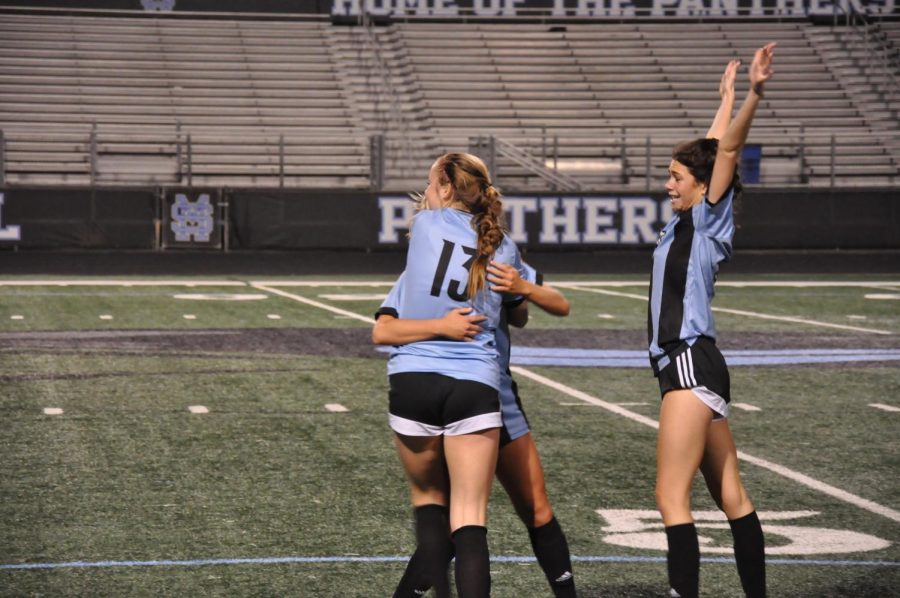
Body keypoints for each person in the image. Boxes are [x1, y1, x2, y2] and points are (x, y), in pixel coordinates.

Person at [647, 44, 775, 598]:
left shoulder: (706, 217)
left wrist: (751, 95)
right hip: (699, 366)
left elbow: (726, 151)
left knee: (670, 498)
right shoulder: (690, 218)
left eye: (676, 178)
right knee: (733, 498)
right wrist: (721, 100)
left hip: (688, 362)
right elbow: (712, 150)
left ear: (701, 188)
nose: (669, 184)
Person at [379, 257, 578, 597]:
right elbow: (384, 329)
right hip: (451, 398)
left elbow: (544, 307)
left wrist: (521, 289)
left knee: (536, 508)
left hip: (495, 392)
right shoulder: (422, 266)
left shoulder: (500, 257)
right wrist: (441, 326)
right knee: (454, 524)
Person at [372, 152, 520, 598]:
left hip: (414, 377)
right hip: (474, 382)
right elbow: (520, 313)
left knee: (430, 511)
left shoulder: (425, 227)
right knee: (471, 521)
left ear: (446, 187)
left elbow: (383, 328)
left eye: (432, 180)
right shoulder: (505, 246)